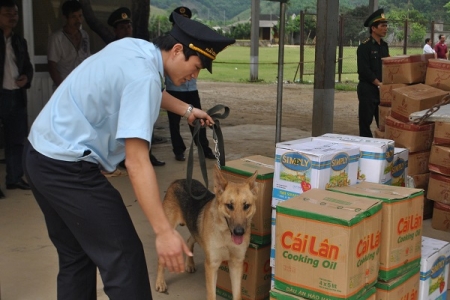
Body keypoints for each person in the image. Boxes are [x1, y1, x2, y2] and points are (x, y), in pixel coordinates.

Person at [23, 12, 235, 299]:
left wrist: (188, 110)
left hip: (40, 155)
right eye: (196, 66)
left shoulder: (136, 49)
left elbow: (151, 91)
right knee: (125, 256)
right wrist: (163, 232)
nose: (194, 76)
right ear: (176, 50)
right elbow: (136, 162)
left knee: (76, 256)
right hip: (68, 168)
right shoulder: (144, 77)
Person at [107, 7, 165, 166]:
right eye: (122, 27)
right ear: (115, 31)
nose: (126, 30)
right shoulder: (112, 50)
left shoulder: (138, 47)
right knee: (122, 129)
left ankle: (148, 156)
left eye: (128, 26)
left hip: (138, 94)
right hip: (121, 96)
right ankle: (122, 159)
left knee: (146, 124)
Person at [165, 6, 216, 162]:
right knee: (174, 123)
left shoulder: (195, 43)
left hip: (191, 88)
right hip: (174, 88)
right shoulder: (167, 43)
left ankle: (203, 147)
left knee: (197, 120)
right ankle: (178, 150)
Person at [0, 0, 33, 197]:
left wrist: (26, 78)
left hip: (16, 95)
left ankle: (14, 178)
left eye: (15, 13)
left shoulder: (20, 42)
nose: (13, 17)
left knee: (16, 140)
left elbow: (28, 66)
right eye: (7, 13)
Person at [356, 8, 389, 138]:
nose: (385, 28)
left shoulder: (384, 46)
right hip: (368, 89)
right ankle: (366, 149)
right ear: (373, 28)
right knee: (365, 122)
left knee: (383, 122)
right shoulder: (364, 47)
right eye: (382, 26)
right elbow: (364, 70)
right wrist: (378, 83)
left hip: (382, 89)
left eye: (386, 25)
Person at [47, 0, 90, 90]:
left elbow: (87, 60)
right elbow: (52, 66)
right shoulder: (57, 38)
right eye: (73, 17)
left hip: (82, 86)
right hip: (63, 86)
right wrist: (62, 88)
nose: (78, 20)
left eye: (80, 16)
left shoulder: (84, 35)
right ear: (65, 18)